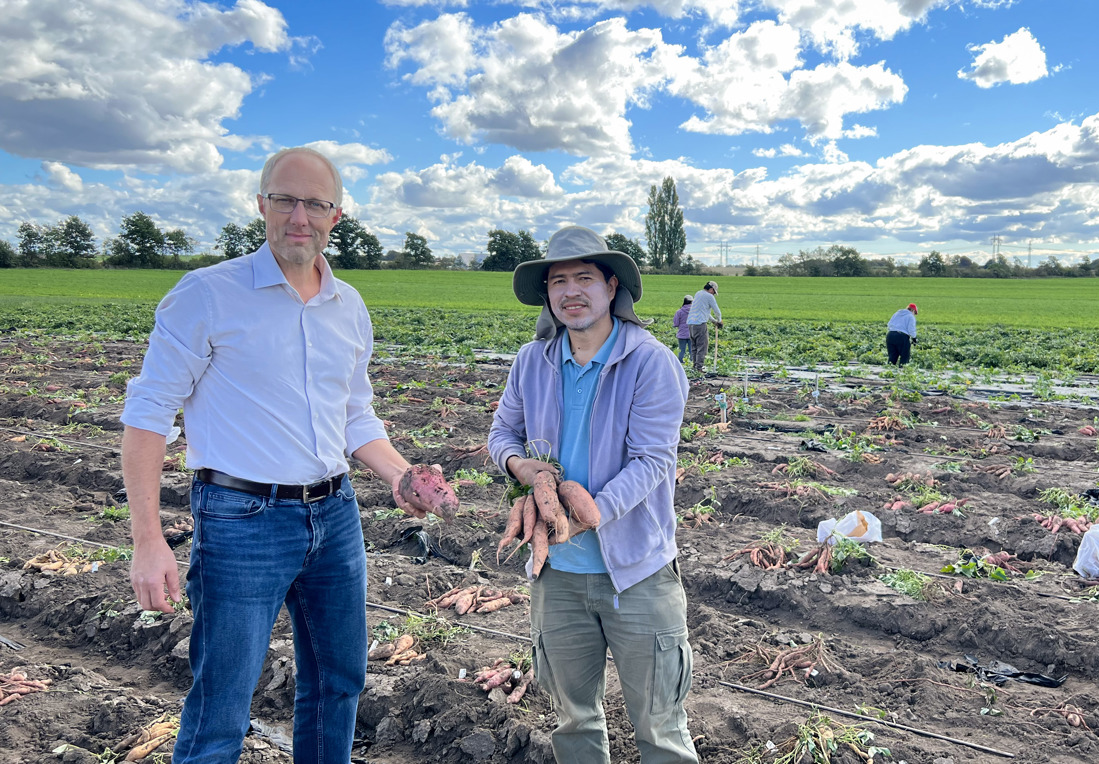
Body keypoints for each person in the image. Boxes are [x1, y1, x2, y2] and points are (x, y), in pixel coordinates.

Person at [120, 146, 453, 764]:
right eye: (286, 200)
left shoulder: (348, 306)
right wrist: (147, 538)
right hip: (240, 520)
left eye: (315, 204)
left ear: (336, 216)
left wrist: (403, 474)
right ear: (262, 205)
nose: (299, 216)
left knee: (338, 684)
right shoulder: (206, 296)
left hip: (335, 516)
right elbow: (147, 416)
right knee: (222, 701)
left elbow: (355, 416)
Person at [489, 225, 697, 764]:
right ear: (547, 294)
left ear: (611, 288)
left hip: (637, 574)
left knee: (660, 728)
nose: (570, 291)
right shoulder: (530, 361)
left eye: (585, 278)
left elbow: (654, 460)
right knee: (573, 722)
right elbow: (501, 434)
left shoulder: (651, 363)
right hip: (555, 575)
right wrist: (528, 471)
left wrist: (587, 511)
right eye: (558, 281)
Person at [686, 280, 723, 374]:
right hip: (700, 324)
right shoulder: (709, 296)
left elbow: (705, 312)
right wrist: (719, 320)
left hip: (691, 323)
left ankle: (694, 366)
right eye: (714, 292)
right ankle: (699, 368)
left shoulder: (698, 294)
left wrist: (714, 321)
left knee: (694, 346)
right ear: (711, 289)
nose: (714, 294)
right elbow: (716, 310)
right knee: (702, 346)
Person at [672, 294, 693, 364]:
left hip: (681, 334)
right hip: (691, 333)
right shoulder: (694, 312)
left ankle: (680, 363)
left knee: (681, 350)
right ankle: (692, 363)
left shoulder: (679, 311)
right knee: (692, 350)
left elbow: (676, 323)